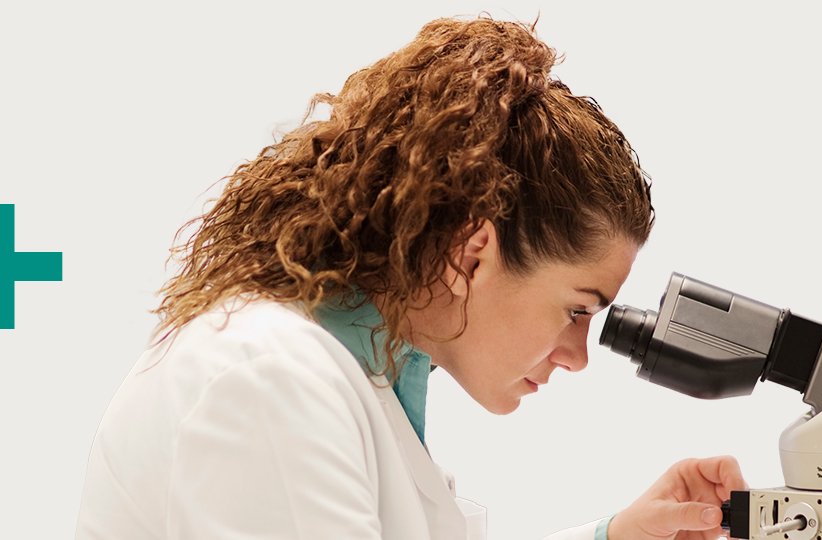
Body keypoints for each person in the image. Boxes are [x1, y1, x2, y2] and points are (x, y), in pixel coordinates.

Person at [75, 16, 746, 540]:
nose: (577, 358)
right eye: (577, 309)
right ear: (470, 254)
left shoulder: (359, 376)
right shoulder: (266, 379)